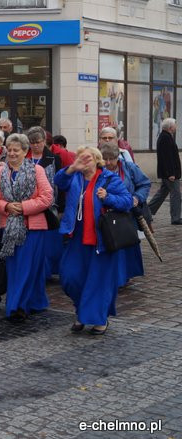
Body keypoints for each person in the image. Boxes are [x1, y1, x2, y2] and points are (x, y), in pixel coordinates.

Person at [55, 146, 132, 335]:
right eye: (80, 157)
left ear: (97, 159)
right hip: (76, 238)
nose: (84, 160)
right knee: (70, 278)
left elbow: (127, 201)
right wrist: (72, 167)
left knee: (98, 282)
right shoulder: (74, 176)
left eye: (87, 157)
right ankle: (82, 310)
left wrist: (108, 197)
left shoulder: (108, 178)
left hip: (101, 240)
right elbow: (58, 181)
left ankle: (96, 318)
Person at [0, 134, 53, 322]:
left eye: (16, 150)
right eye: (9, 150)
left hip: (32, 227)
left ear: (25, 152)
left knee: (28, 268)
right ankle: (27, 302)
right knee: (15, 268)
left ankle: (18, 306)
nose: (12, 153)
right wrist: (6, 206)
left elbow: (47, 197)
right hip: (9, 227)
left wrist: (24, 207)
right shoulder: (0, 172)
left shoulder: (37, 170)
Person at [101, 142, 150, 286]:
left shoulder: (129, 168)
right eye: (105, 159)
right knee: (110, 245)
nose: (109, 162)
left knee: (125, 244)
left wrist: (137, 197)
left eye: (112, 159)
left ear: (118, 157)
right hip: (106, 215)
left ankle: (124, 276)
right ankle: (112, 276)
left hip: (126, 214)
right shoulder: (98, 170)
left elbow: (145, 184)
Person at [25, 126, 63, 279]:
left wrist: (61, 206)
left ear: (44, 141)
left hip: (49, 205)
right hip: (29, 205)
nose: (35, 145)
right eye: (32, 142)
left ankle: (48, 271)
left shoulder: (54, 159)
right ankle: (35, 270)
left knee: (49, 243)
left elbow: (60, 183)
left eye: (38, 142)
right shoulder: (25, 158)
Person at [148, 118, 181, 225]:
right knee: (176, 194)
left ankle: (147, 212)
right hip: (170, 174)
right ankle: (176, 218)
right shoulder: (165, 138)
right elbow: (167, 158)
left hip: (168, 173)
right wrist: (170, 174)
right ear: (170, 127)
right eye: (175, 125)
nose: (176, 126)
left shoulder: (166, 136)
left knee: (162, 193)